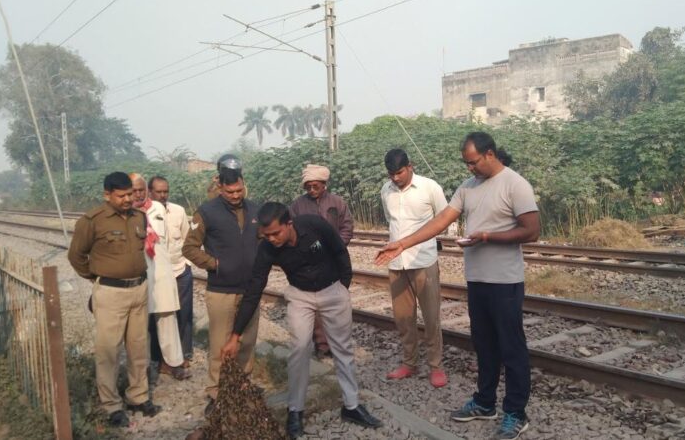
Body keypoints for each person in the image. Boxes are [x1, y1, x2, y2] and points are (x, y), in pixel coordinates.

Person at [376, 132, 540, 440]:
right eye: (466, 163)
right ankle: (485, 402)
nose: (469, 169)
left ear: (490, 154)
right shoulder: (468, 188)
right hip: (476, 280)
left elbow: (531, 231)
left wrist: (488, 237)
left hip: (505, 281)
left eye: (473, 162)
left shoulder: (515, 184)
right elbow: (440, 221)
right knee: (485, 346)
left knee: (511, 348)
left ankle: (516, 412)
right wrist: (402, 244)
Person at [221, 203, 382, 439]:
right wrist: (235, 335)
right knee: (299, 349)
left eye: (276, 233)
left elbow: (339, 252)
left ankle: (352, 405)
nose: (272, 239)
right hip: (300, 295)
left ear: (289, 224)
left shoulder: (315, 225)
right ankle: (295, 411)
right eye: (267, 235)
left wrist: (342, 288)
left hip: (332, 291)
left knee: (343, 349)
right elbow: (255, 288)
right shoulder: (267, 248)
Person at [68, 172, 161, 427]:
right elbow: (76, 256)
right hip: (110, 294)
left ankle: (138, 396)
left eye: (130, 194)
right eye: (121, 196)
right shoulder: (92, 221)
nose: (127, 199)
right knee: (108, 351)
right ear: (107, 195)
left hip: (139, 290)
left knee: (139, 347)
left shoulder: (138, 217)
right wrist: (97, 278)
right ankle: (111, 406)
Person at [183, 167, 261, 416]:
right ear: (220, 188)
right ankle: (216, 394)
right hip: (221, 291)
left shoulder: (255, 209)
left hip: (250, 290)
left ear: (243, 185)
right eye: (230, 192)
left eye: (239, 190)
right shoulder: (206, 212)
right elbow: (189, 248)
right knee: (220, 345)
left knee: (247, 342)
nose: (236, 195)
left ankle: (242, 386)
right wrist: (214, 264)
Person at [380, 149, 448, 388]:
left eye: (399, 172)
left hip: (424, 261)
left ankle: (436, 366)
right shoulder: (385, 191)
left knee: (431, 317)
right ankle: (409, 363)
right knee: (403, 318)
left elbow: (444, 219)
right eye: (391, 174)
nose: (395, 178)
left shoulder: (430, 188)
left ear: (411, 166)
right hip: (397, 263)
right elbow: (391, 221)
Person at [289, 164, 354, 357]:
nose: (311, 190)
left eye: (315, 186)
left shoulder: (337, 202)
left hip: (334, 259)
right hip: (308, 262)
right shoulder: (298, 206)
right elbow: (291, 231)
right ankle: (321, 344)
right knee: (314, 305)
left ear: (324, 184)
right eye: (308, 186)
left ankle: (336, 344)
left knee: (335, 302)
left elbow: (347, 226)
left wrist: (337, 246)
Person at [130, 173, 188, 382]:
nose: (137, 194)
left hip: (162, 272)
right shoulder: (124, 213)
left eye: (141, 189)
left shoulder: (159, 209)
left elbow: (173, 244)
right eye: (133, 190)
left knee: (167, 320)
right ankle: (144, 370)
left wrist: (179, 266)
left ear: (147, 190)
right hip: (137, 274)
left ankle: (173, 364)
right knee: (139, 325)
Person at [149, 175, 195, 366]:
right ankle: (158, 357)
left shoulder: (178, 211)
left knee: (184, 313)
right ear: (150, 192)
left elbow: (187, 238)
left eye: (165, 191)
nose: (162, 195)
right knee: (159, 314)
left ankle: (184, 353)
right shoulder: (146, 213)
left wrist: (187, 265)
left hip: (179, 270)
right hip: (158, 274)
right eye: (158, 191)